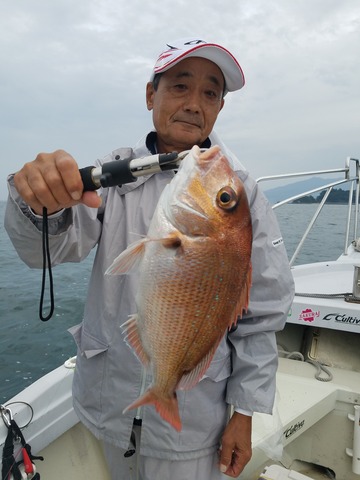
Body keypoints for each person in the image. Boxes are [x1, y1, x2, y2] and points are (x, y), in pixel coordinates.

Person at [5, 38, 295, 479]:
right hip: (107, 403)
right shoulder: (113, 173)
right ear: (150, 95)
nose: (195, 104)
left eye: (211, 93)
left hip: (194, 423)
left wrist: (246, 411)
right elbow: (53, 248)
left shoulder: (238, 190)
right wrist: (37, 203)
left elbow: (263, 313)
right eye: (180, 86)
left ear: (220, 107)